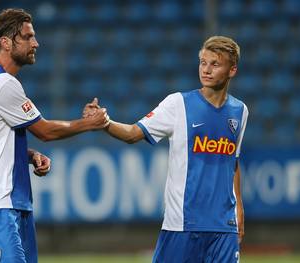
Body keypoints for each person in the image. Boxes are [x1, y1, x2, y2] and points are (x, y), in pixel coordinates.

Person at [85, 36, 248, 263]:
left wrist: (239, 208)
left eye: (215, 64)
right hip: (182, 225)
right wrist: (105, 123)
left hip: (223, 227)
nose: (206, 70)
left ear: (232, 70)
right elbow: (133, 133)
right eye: (203, 62)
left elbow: (234, 162)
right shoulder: (177, 104)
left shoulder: (240, 111)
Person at [0, 8, 109, 262]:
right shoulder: (3, 84)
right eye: (28, 37)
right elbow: (45, 131)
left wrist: (27, 155)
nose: (36, 43)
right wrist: (91, 124)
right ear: (6, 42)